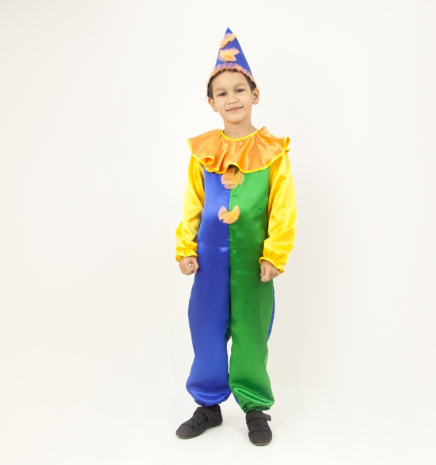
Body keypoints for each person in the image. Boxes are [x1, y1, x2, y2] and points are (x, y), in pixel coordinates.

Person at [174, 27, 297, 446]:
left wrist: (274, 254)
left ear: (255, 94)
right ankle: (208, 405)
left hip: (253, 264)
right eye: (222, 93)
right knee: (206, 330)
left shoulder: (273, 152)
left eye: (240, 90)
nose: (232, 99)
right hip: (208, 262)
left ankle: (255, 406)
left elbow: (282, 207)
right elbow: (193, 203)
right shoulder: (203, 153)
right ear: (211, 103)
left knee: (251, 334)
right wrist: (185, 248)